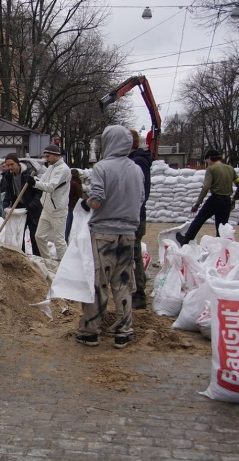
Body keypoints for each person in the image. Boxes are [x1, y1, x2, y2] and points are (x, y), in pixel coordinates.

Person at [75, 124, 144, 350]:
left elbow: (97, 200)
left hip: (104, 233)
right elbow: (141, 199)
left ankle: (90, 331)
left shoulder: (102, 167)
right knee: (123, 282)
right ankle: (124, 331)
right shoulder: (136, 169)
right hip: (128, 233)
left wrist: (84, 204)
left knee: (99, 283)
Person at [176, 149, 239, 246]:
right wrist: (233, 200)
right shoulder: (230, 169)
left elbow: (206, 187)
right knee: (221, 227)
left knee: (199, 220)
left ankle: (185, 240)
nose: (207, 163)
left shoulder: (211, 169)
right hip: (227, 201)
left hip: (215, 199)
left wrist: (197, 204)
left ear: (210, 158)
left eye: (206, 161)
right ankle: (220, 247)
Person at [30, 144, 71, 260]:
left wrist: (35, 184)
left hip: (58, 210)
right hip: (47, 209)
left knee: (59, 241)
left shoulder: (63, 169)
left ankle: (64, 266)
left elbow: (50, 187)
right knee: (39, 237)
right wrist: (34, 180)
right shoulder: (51, 167)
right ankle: (48, 261)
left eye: (48, 156)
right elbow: (42, 181)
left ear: (55, 155)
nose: (46, 159)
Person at [128, 129, 153, 309]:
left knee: (134, 254)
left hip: (134, 217)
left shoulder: (137, 162)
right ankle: (136, 287)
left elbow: (141, 193)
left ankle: (139, 294)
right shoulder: (135, 160)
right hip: (132, 215)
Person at [0, 153, 42, 256]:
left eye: (12, 164)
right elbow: (9, 192)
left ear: (18, 164)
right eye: (7, 165)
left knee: (34, 235)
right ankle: (21, 256)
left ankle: (37, 257)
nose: (10, 167)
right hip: (19, 209)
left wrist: (32, 206)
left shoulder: (29, 174)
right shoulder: (8, 176)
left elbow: (39, 192)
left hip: (32, 209)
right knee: (19, 234)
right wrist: (5, 203)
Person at [65, 169, 84, 241]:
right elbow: (80, 195)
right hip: (76, 206)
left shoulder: (71, 183)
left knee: (69, 224)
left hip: (71, 206)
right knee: (74, 224)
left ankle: (66, 239)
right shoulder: (77, 183)